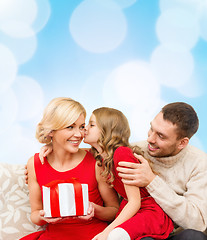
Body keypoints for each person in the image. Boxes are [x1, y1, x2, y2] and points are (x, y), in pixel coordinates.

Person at [38, 107, 174, 240]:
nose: (84, 130)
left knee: (113, 236)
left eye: (91, 125)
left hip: (148, 211)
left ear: (106, 131)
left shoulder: (122, 154)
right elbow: (73, 150)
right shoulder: (102, 157)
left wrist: (107, 232)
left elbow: (134, 202)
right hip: (133, 211)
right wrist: (52, 146)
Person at [20, 97, 119, 240]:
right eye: (70, 127)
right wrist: (44, 217)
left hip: (94, 235)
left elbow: (114, 210)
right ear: (51, 131)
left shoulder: (95, 160)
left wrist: (93, 209)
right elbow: (35, 214)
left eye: (82, 126)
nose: (79, 134)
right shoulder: (35, 164)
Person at [117, 102, 207, 240]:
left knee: (194, 237)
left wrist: (151, 181)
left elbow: (197, 223)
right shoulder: (135, 150)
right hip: (140, 230)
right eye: (151, 129)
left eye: (161, 136)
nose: (150, 139)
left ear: (182, 143)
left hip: (174, 234)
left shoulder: (200, 163)